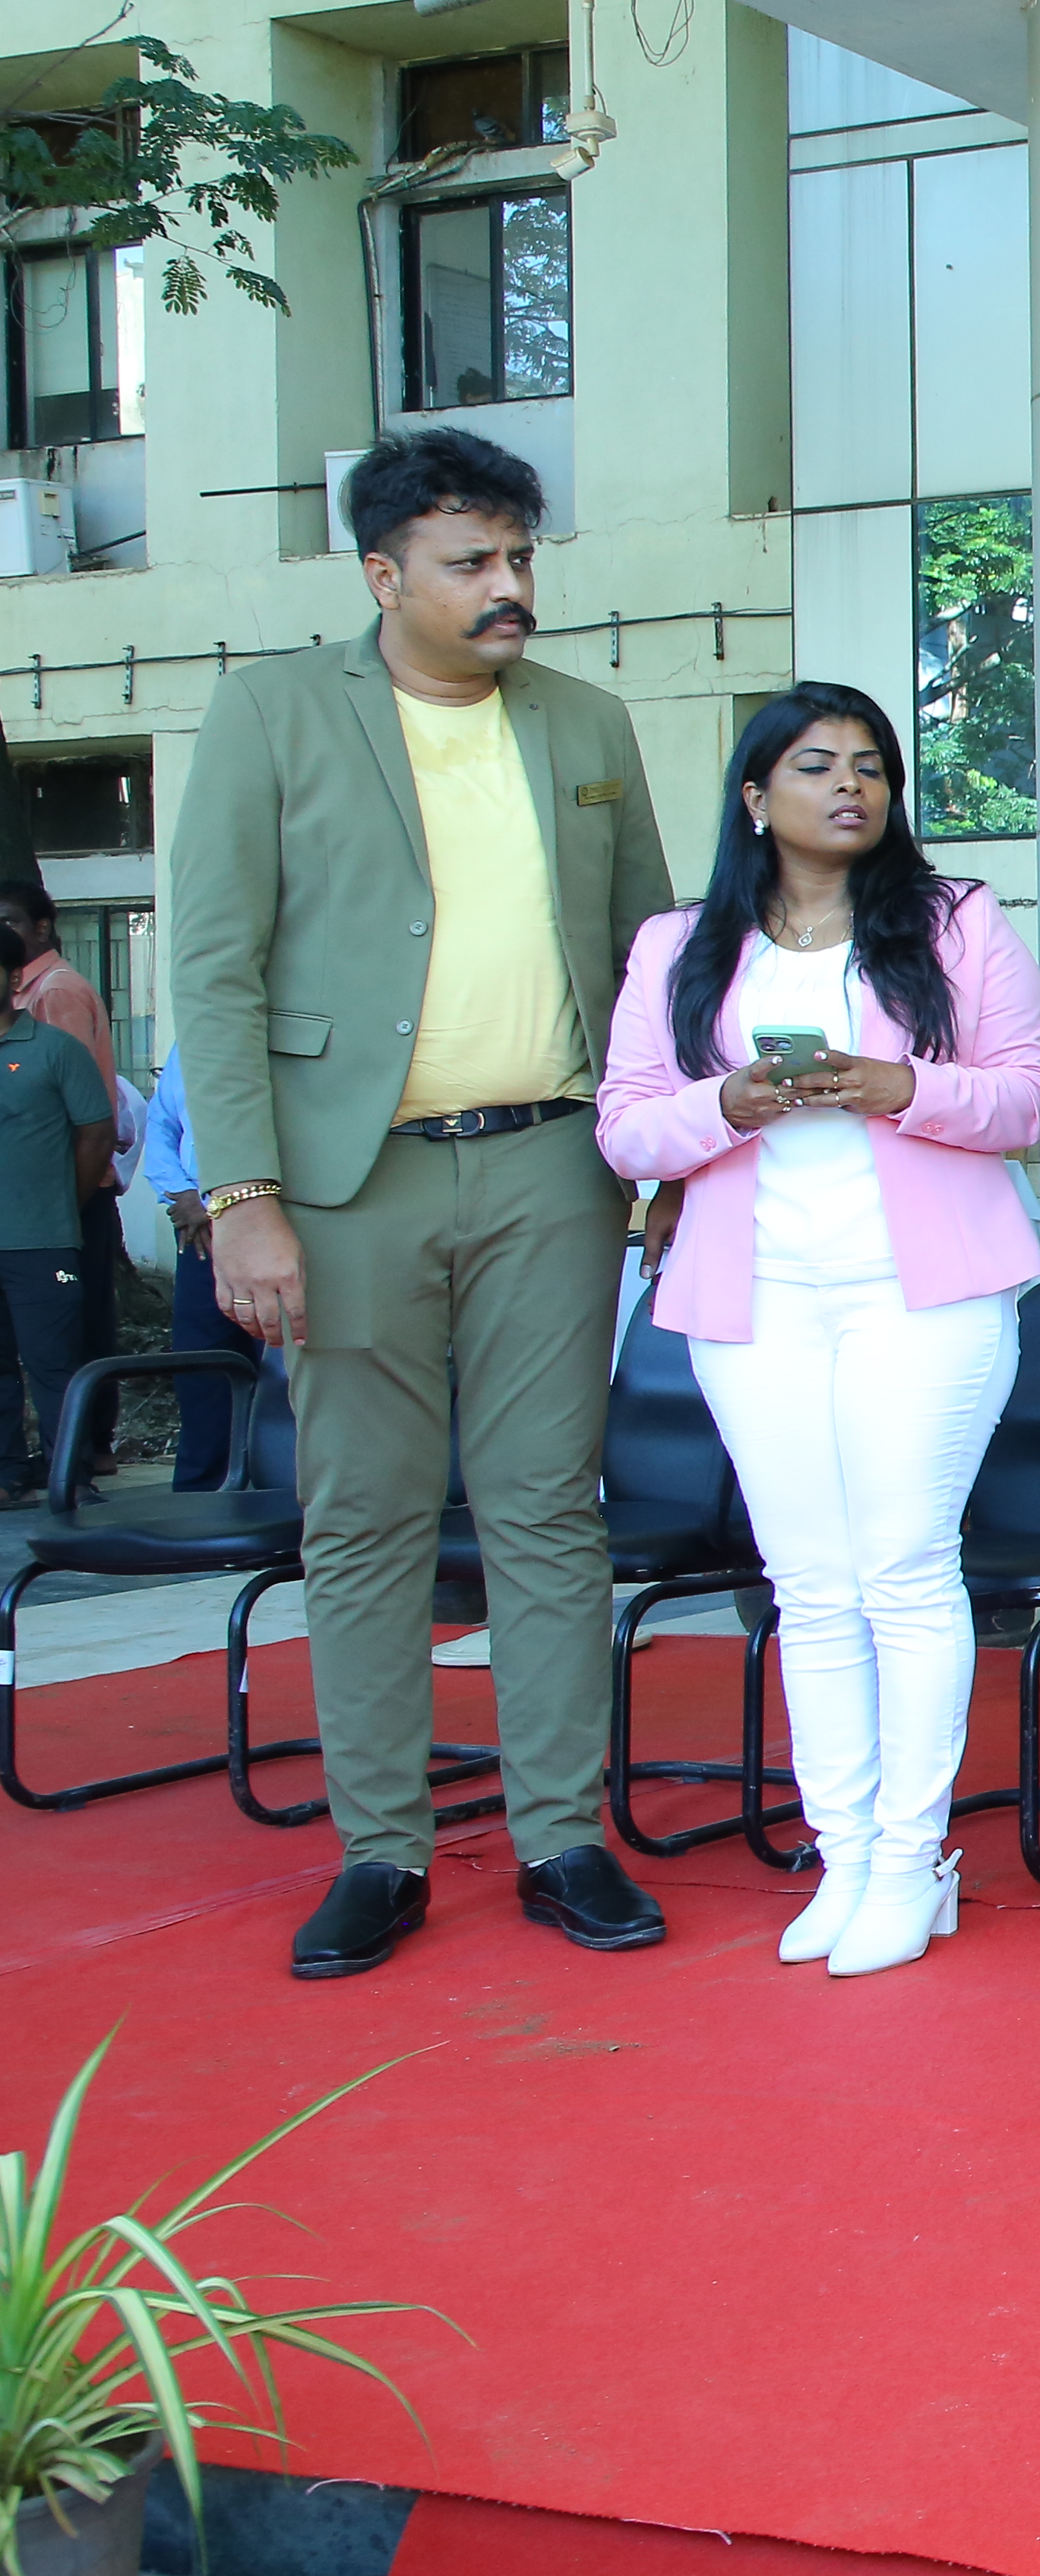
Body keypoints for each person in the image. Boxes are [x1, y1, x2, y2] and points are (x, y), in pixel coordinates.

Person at [165, 425, 678, 1979]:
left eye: (520, 558)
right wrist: (241, 1195)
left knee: (543, 1508)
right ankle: (381, 1851)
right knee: (369, 1518)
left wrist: (660, 1161)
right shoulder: (270, 714)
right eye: (474, 564)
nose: (509, 587)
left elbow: (652, 948)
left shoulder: (585, 722)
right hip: (346, 1178)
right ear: (383, 574)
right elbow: (214, 966)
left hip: (552, 1163)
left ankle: (561, 1836)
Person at [596, 686, 1040, 1979]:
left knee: (903, 1569)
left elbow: (1034, 1096)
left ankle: (913, 1861)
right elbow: (627, 1126)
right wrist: (730, 1104)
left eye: (871, 767)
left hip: (926, 1295)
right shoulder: (680, 944)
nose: (851, 787)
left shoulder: (955, 921)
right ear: (757, 797)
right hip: (755, 1301)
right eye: (817, 767)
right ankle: (844, 1851)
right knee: (808, 1585)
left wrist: (902, 1088)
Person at [0, 881, 125, 1383]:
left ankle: (83, 1452)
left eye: (8, 920)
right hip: (37, 1210)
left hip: (62, 1201)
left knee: (65, 1350)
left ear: (43, 926)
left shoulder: (54, 993)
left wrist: (57, 1205)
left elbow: (75, 1118)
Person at [0, 990, 109, 1509]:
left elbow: (96, 1133)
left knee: (55, 1364)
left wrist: (66, 1202)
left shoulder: (55, 1049)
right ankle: (7, 1477)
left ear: (14, 975)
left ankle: (72, 1475)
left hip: (41, 1239)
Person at [138, 1048, 241, 1492]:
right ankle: (200, 1491)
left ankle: (279, 1493)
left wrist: (229, 1202)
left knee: (282, 1371)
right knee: (202, 1365)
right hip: (200, 1232)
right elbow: (161, 1127)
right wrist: (181, 1193)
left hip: (276, 1227)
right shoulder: (191, 1046)